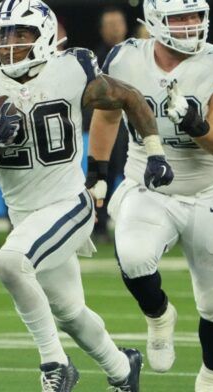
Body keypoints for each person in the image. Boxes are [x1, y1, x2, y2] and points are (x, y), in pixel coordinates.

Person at [0, 1, 173, 390]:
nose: (10, 44)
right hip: (24, 213)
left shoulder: (71, 70)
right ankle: (124, 370)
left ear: (44, 36)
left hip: (70, 203)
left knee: (8, 263)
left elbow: (130, 98)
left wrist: (154, 151)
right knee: (70, 313)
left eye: (20, 34)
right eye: (3, 36)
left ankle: (54, 365)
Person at [89, 1, 213, 390]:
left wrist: (196, 124)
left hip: (208, 192)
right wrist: (97, 172)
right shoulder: (125, 58)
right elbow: (107, 115)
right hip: (149, 186)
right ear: (156, 22)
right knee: (134, 255)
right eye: (181, 17)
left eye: (195, 15)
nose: (191, 25)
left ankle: (211, 375)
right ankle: (158, 314)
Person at [90, 6, 130, 243]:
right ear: (102, 30)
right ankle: (99, 224)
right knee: (103, 172)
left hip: (130, 125)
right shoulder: (94, 58)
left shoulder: (137, 55)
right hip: (107, 122)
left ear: (125, 27)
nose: (115, 29)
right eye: (110, 25)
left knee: (134, 174)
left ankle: (132, 221)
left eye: (118, 24)